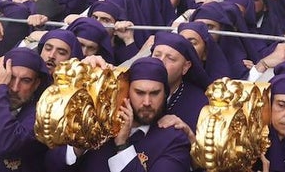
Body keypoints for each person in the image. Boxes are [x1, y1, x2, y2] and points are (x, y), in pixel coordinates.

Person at [51, 56, 192, 172]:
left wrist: (122, 146)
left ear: (165, 94)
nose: (147, 102)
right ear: (126, 91)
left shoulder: (174, 139)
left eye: (155, 93)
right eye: (140, 93)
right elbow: (51, 165)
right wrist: (80, 142)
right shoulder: (98, 124)